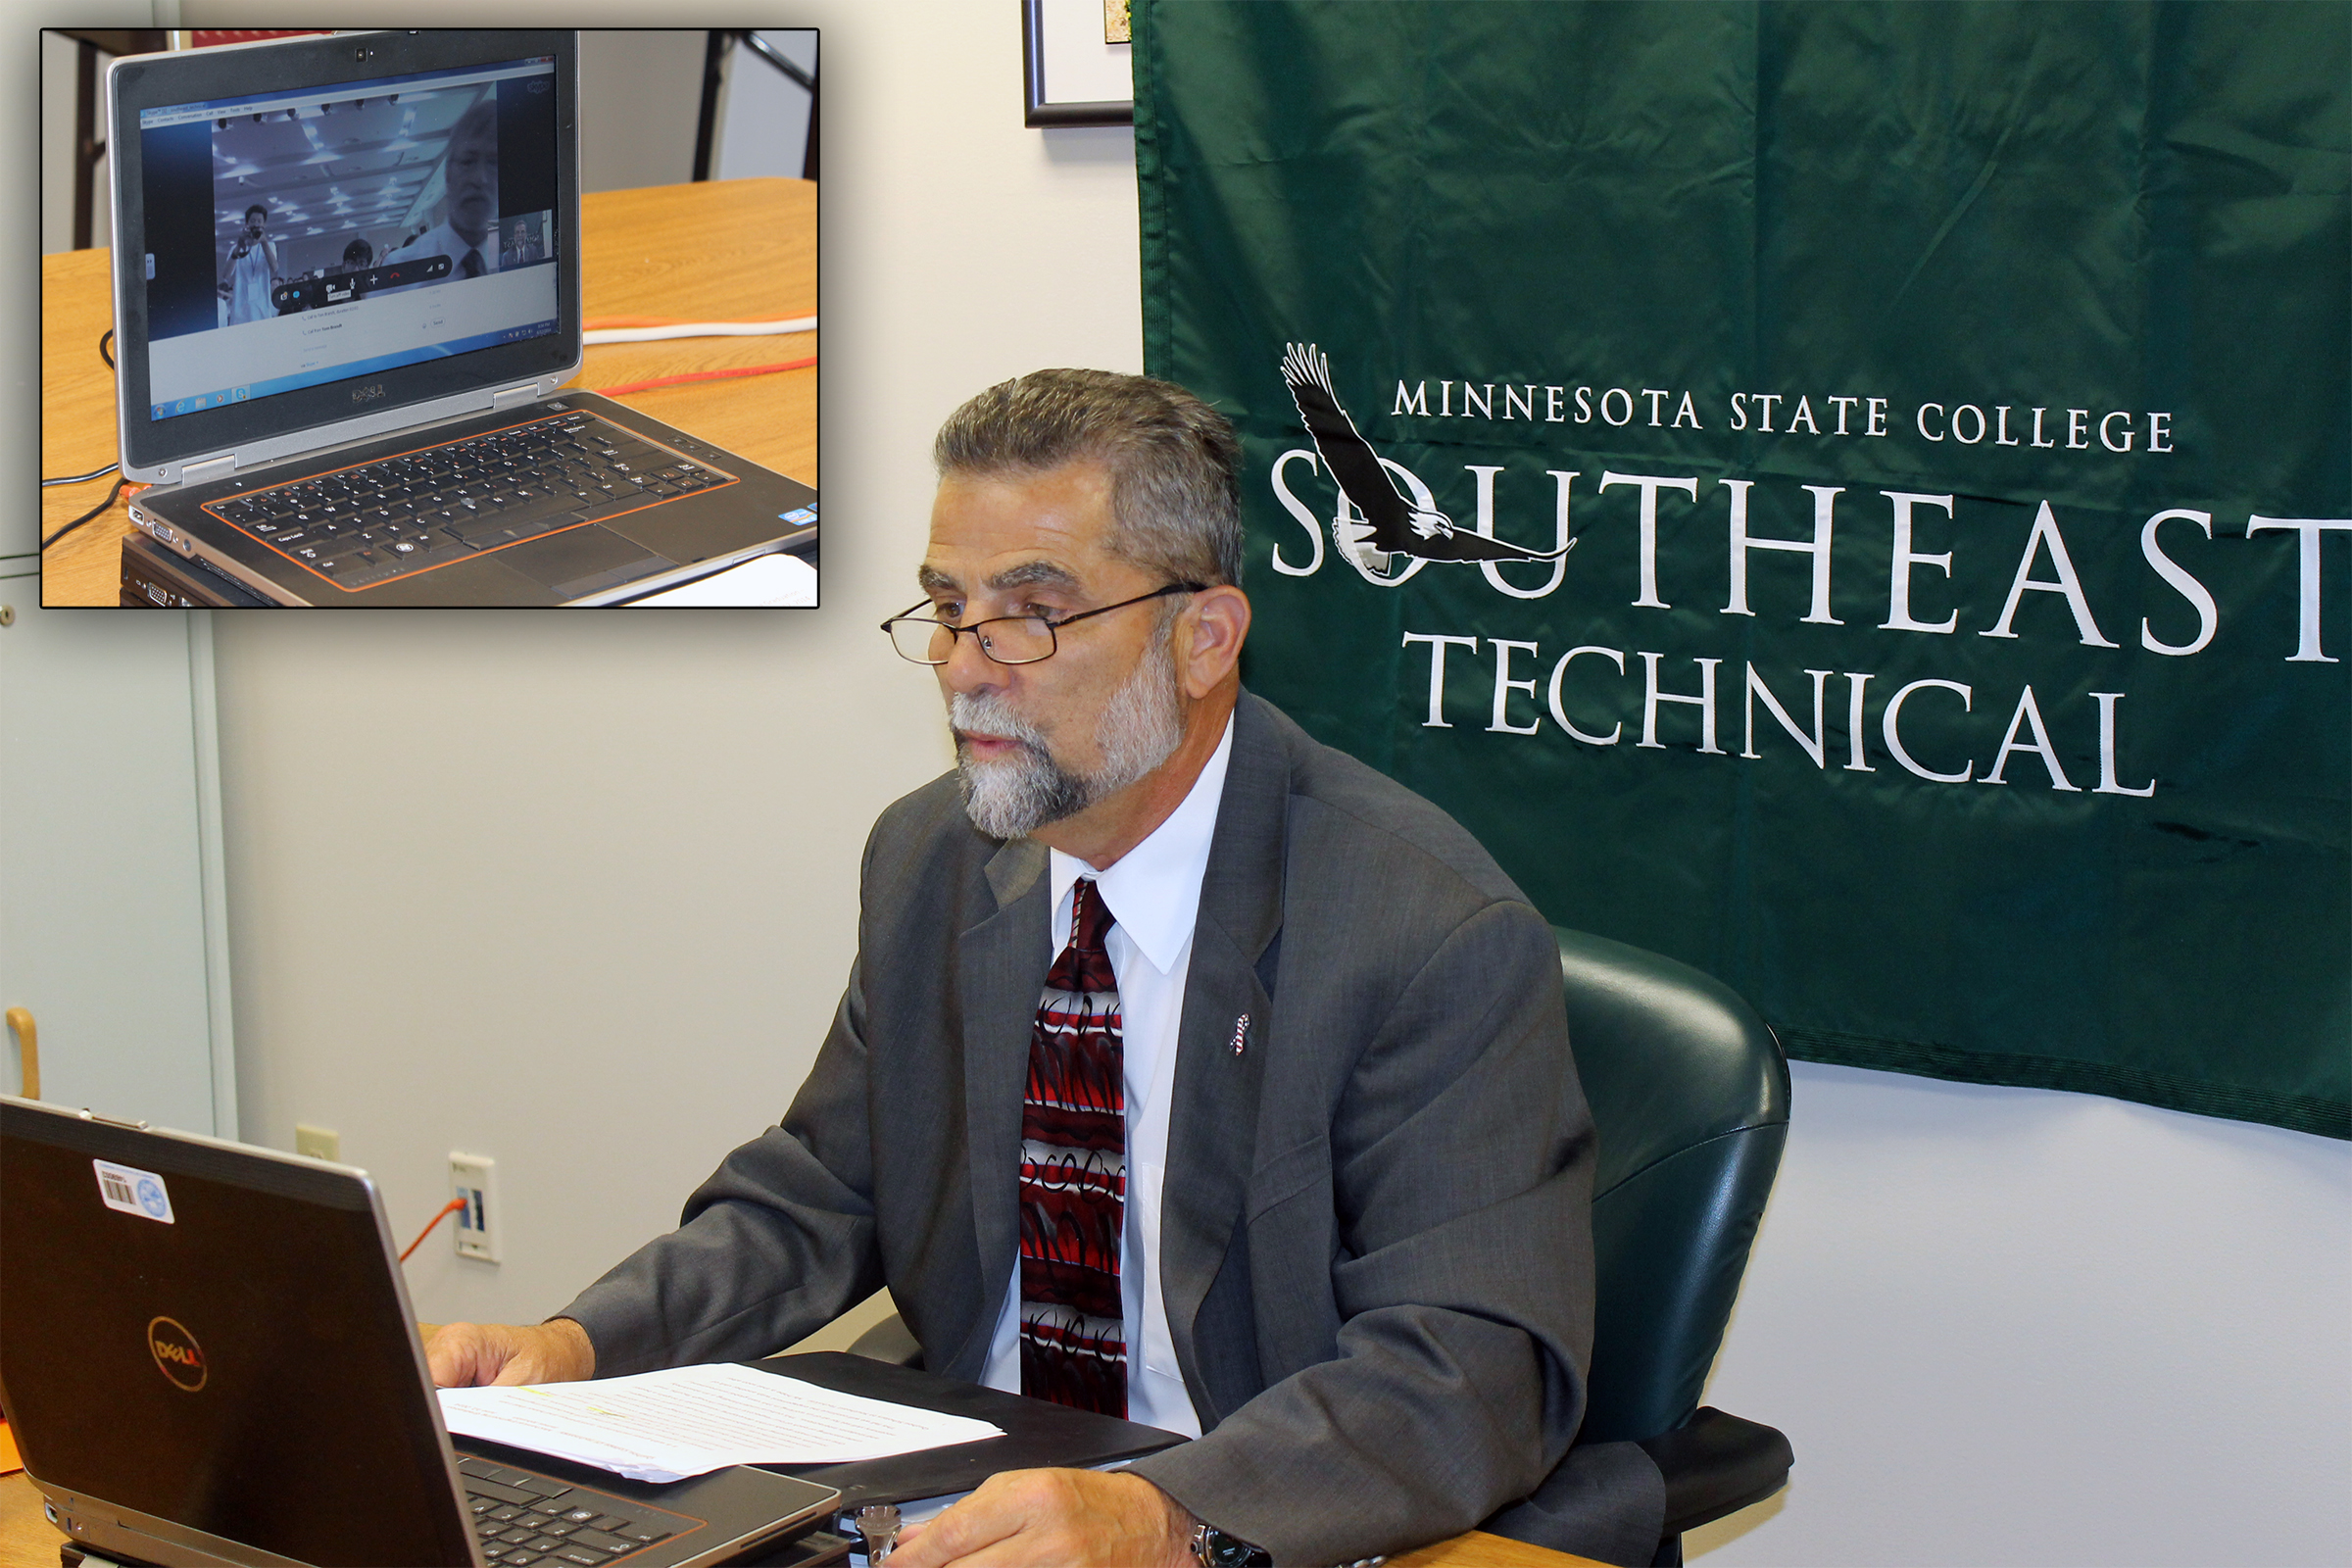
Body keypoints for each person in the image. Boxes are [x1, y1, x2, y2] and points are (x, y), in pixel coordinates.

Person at [426, 371, 1654, 1567]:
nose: (966, 663)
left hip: (1256, 1515)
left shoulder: (1422, 930)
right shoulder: (933, 859)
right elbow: (819, 1192)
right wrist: (578, 1344)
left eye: (1030, 611)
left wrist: (1168, 1514)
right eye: (948, 608)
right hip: (963, 1495)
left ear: (1203, 637)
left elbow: (1471, 1366)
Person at [384, 97, 500, 283]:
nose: (480, 179)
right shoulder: (399, 271)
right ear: (448, 175)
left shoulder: (521, 263)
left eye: (494, 163)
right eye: (468, 162)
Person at [221, 204, 279, 324]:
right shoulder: (235, 248)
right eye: (253, 221)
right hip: (240, 315)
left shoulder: (270, 246)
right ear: (247, 224)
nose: (256, 224)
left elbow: (274, 268)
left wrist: (264, 242)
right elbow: (226, 276)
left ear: (264, 224)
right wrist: (239, 246)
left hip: (262, 312)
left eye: (259, 221)